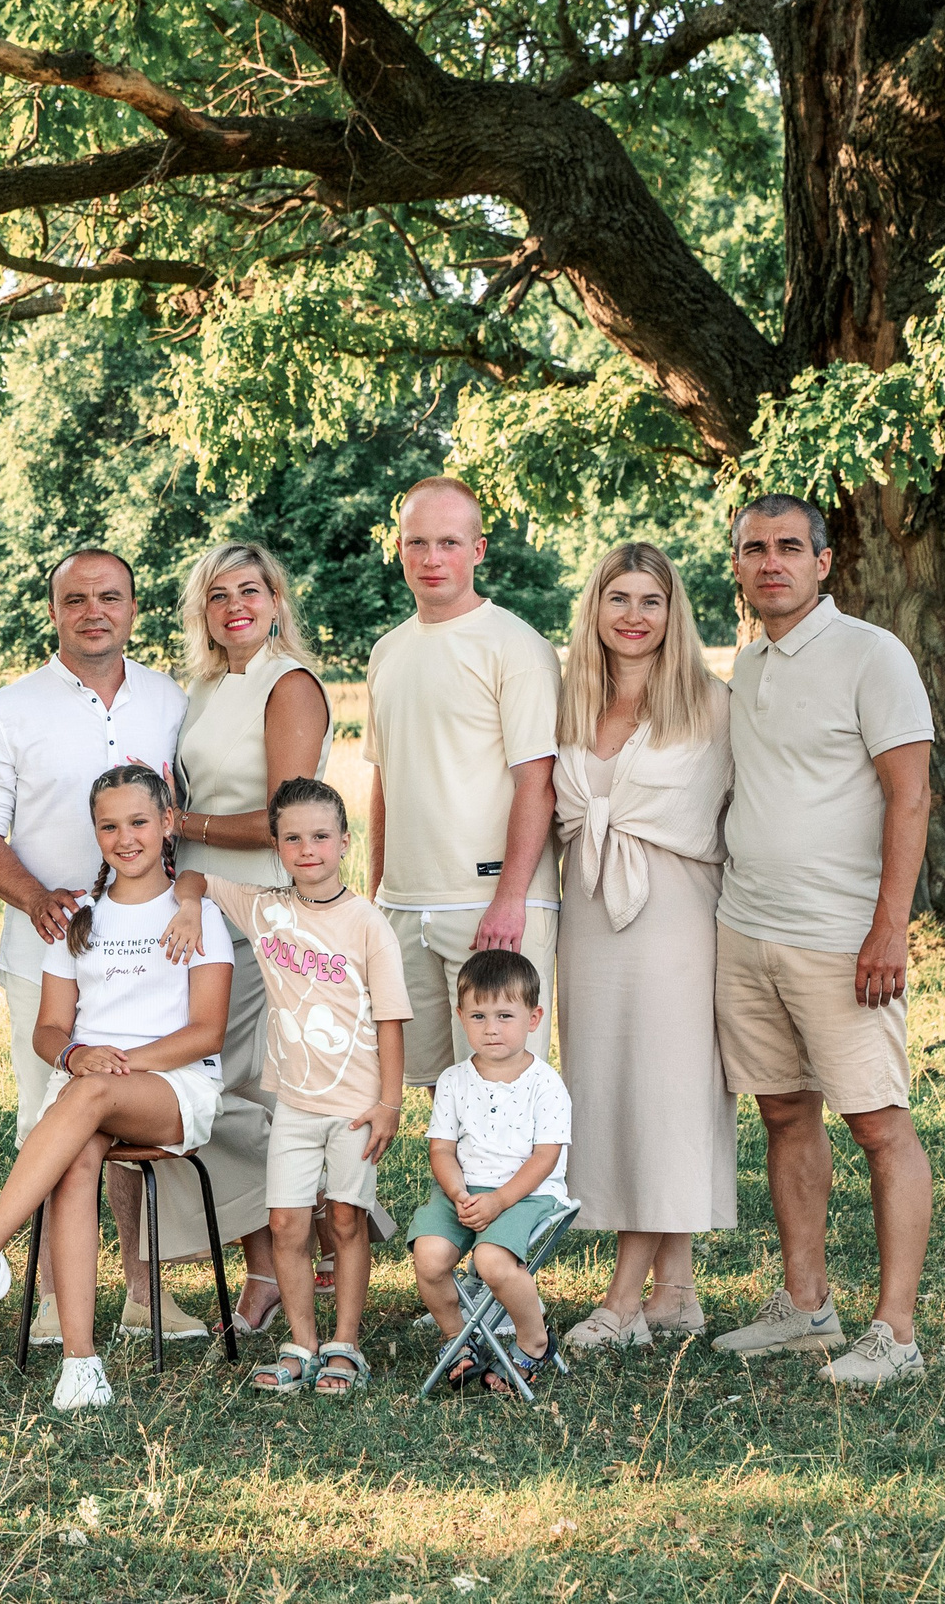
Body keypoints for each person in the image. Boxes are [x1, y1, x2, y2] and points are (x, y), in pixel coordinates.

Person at [0, 767, 234, 1410]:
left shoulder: (198, 917)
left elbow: (206, 1033)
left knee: (88, 1098)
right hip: (89, 1086)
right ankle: (81, 1366)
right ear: (96, 833)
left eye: (139, 822)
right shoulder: (79, 917)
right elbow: (49, 1031)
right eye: (109, 825)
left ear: (168, 824)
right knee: (77, 1156)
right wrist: (78, 1055)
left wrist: (114, 1064)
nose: (125, 837)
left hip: (173, 1088)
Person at [709, 495, 934, 1386]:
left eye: (790, 548)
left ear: (825, 560)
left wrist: (888, 927)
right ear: (737, 564)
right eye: (755, 549)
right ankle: (806, 1308)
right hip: (747, 926)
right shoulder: (752, 658)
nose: (772, 563)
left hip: (841, 938)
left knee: (879, 1124)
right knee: (784, 1110)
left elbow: (910, 796)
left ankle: (896, 1337)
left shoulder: (870, 655)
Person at [0, 548, 204, 1346]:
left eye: (110, 597)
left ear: (134, 607)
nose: (93, 610)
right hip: (50, 949)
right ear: (54, 610)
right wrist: (38, 900)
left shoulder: (170, 699)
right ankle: (52, 1309)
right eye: (75, 599)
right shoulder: (10, 710)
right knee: (51, 1117)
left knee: (128, 1123)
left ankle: (142, 1296)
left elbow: (185, 819)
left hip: (151, 953)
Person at [551, 544, 735, 1352]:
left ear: (673, 612)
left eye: (650, 601)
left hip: (676, 917)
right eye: (617, 598)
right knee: (612, 1089)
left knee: (669, 1093)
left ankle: (623, 1306)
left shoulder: (713, 703)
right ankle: (678, 1293)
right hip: (587, 919)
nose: (633, 615)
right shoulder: (560, 703)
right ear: (594, 608)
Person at [170, 777, 408, 1396]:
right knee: (286, 1226)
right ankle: (301, 1342)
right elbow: (195, 878)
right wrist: (191, 904)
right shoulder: (266, 909)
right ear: (276, 846)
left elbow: (391, 1019)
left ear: (345, 842)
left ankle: (344, 1345)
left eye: (321, 836)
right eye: (293, 838)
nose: (308, 849)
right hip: (296, 1106)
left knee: (348, 1224)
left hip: (357, 1109)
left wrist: (389, 1103)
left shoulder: (367, 924)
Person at [171, 540, 337, 1327]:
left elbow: (286, 820)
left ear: (276, 598)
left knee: (251, 1095)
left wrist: (180, 824)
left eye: (250, 590)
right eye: (217, 595)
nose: (235, 605)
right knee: (223, 1090)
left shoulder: (290, 684)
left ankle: (302, 1257)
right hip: (199, 909)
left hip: (264, 908)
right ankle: (290, 1255)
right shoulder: (204, 689)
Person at [364, 478, 562, 1089]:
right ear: (398, 549)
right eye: (416, 543)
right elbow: (383, 783)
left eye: (448, 542)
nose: (431, 558)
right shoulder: (387, 651)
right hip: (405, 905)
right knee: (431, 1087)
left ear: (478, 550)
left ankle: (513, 1191)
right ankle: (450, 1191)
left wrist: (509, 898)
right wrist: (375, 898)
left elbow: (538, 783)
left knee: (498, 1083)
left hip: (492, 907)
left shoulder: (517, 647)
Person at [409, 949, 573, 1392]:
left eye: (505, 1015)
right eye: (478, 1016)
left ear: (534, 1017)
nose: (492, 1028)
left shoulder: (546, 1084)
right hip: (463, 1189)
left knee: (492, 1260)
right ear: (460, 1016)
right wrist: (458, 1192)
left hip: (528, 1192)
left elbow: (546, 1157)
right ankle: (457, 1341)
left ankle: (533, 1341)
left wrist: (499, 1200)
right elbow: (441, 1149)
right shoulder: (453, 1080)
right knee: (429, 1255)